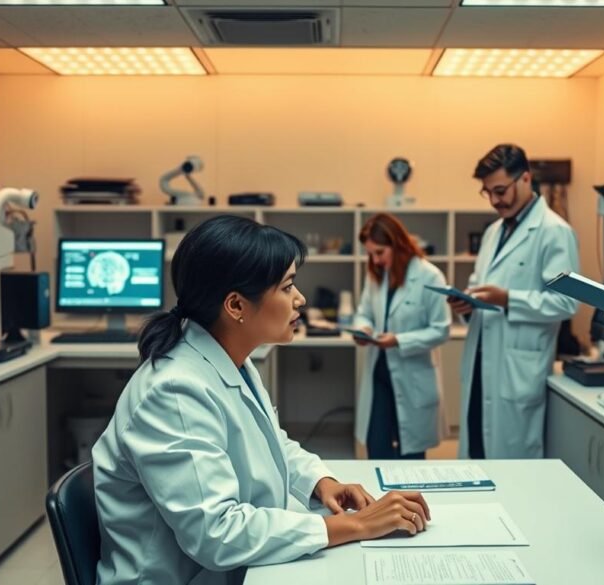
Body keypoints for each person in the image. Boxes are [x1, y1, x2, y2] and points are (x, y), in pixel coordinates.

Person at [93, 215, 432, 585]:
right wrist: (351, 525)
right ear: (236, 306)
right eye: (287, 287)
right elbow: (216, 534)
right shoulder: (174, 391)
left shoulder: (229, 358)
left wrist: (322, 482)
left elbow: (270, 442)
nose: (300, 298)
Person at [448, 144, 579, 459]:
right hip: (482, 358)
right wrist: (467, 304)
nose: (495, 200)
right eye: (487, 192)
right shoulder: (493, 232)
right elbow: (481, 286)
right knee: (477, 452)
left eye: (500, 190)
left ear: (525, 179)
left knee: (511, 464)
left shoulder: (554, 232)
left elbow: (566, 304)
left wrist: (508, 300)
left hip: (517, 368)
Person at [352, 213, 451, 459]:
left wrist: (399, 340)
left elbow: (441, 329)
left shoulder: (430, 276)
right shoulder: (377, 275)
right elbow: (364, 313)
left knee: (411, 458)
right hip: (380, 376)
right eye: (370, 254)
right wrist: (363, 328)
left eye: (380, 252)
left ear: (397, 244)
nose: (375, 260)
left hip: (413, 377)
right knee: (377, 449)